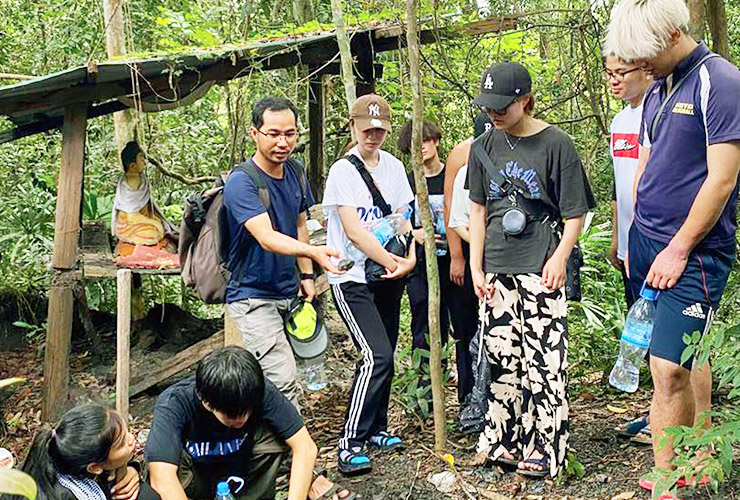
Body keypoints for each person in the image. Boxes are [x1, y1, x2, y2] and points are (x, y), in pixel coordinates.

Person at [604, 0, 740, 495]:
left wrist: (680, 247)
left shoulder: (719, 82)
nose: (638, 68)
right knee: (680, 354)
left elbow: (722, 180)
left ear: (667, 38)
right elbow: (649, 160)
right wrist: (635, 230)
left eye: (642, 57)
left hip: (694, 252)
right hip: (647, 242)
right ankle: (692, 453)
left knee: (666, 368)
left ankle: (667, 486)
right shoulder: (660, 87)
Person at [468, 62, 595, 478]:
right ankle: (503, 439)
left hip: (540, 266)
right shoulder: (482, 146)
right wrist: (475, 265)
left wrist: (559, 257)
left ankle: (547, 445)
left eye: (503, 106)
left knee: (544, 360)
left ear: (525, 100)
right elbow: (478, 209)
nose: (495, 114)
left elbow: (575, 211)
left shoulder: (556, 144)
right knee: (503, 359)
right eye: (489, 107)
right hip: (496, 267)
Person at [223, 97, 341, 408]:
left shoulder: (296, 172)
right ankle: (288, 452)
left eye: (289, 134)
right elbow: (267, 238)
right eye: (273, 133)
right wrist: (315, 255)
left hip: (289, 292)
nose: (282, 142)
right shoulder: (242, 182)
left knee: (292, 372)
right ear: (254, 133)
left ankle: (272, 441)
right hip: (252, 296)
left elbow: (300, 223)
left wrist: (305, 274)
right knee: (283, 379)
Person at [322, 94, 416, 475]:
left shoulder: (394, 168)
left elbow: (404, 220)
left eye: (380, 130)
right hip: (353, 276)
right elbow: (354, 231)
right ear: (353, 126)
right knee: (375, 355)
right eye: (367, 129)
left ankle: (377, 428)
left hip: (388, 275)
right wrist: (391, 261)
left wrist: (407, 260)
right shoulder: (342, 172)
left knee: (388, 353)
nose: (373, 136)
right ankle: (350, 441)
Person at [145, 347, 354, 500]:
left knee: (280, 432)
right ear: (205, 401)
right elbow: (161, 477)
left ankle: (303, 483)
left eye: (247, 411)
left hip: (244, 473)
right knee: (163, 457)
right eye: (232, 415)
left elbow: (305, 447)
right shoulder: (175, 402)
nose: (242, 419)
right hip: (197, 482)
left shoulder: (259, 389)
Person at [398, 120, 477, 407]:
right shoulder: (406, 182)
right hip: (421, 265)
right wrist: (413, 233)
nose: (422, 147)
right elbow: (396, 220)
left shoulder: (454, 175)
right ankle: (426, 399)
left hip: (457, 262)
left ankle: (469, 396)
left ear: (436, 141)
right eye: (415, 143)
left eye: (427, 140)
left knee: (465, 327)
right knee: (426, 328)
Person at [604, 54, 654, 446]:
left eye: (621, 73)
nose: (614, 81)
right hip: (630, 244)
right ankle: (658, 406)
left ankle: (678, 415)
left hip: (660, 242)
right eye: (609, 73)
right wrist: (617, 240)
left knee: (665, 331)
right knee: (642, 329)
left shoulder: (660, 113)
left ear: (646, 69)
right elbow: (621, 187)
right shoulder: (620, 121)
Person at [19, 403, 158, 500]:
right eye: (121, 443)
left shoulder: (73, 460)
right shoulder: (69, 494)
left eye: (127, 430)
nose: (131, 438)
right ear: (95, 467)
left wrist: (129, 470)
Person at [112, 141, 179, 269]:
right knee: (153, 233)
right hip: (128, 224)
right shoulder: (132, 181)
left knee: (159, 227)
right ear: (132, 166)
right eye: (141, 158)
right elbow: (131, 216)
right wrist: (154, 224)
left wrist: (154, 221)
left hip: (139, 220)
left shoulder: (140, 177)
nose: (145, 161)